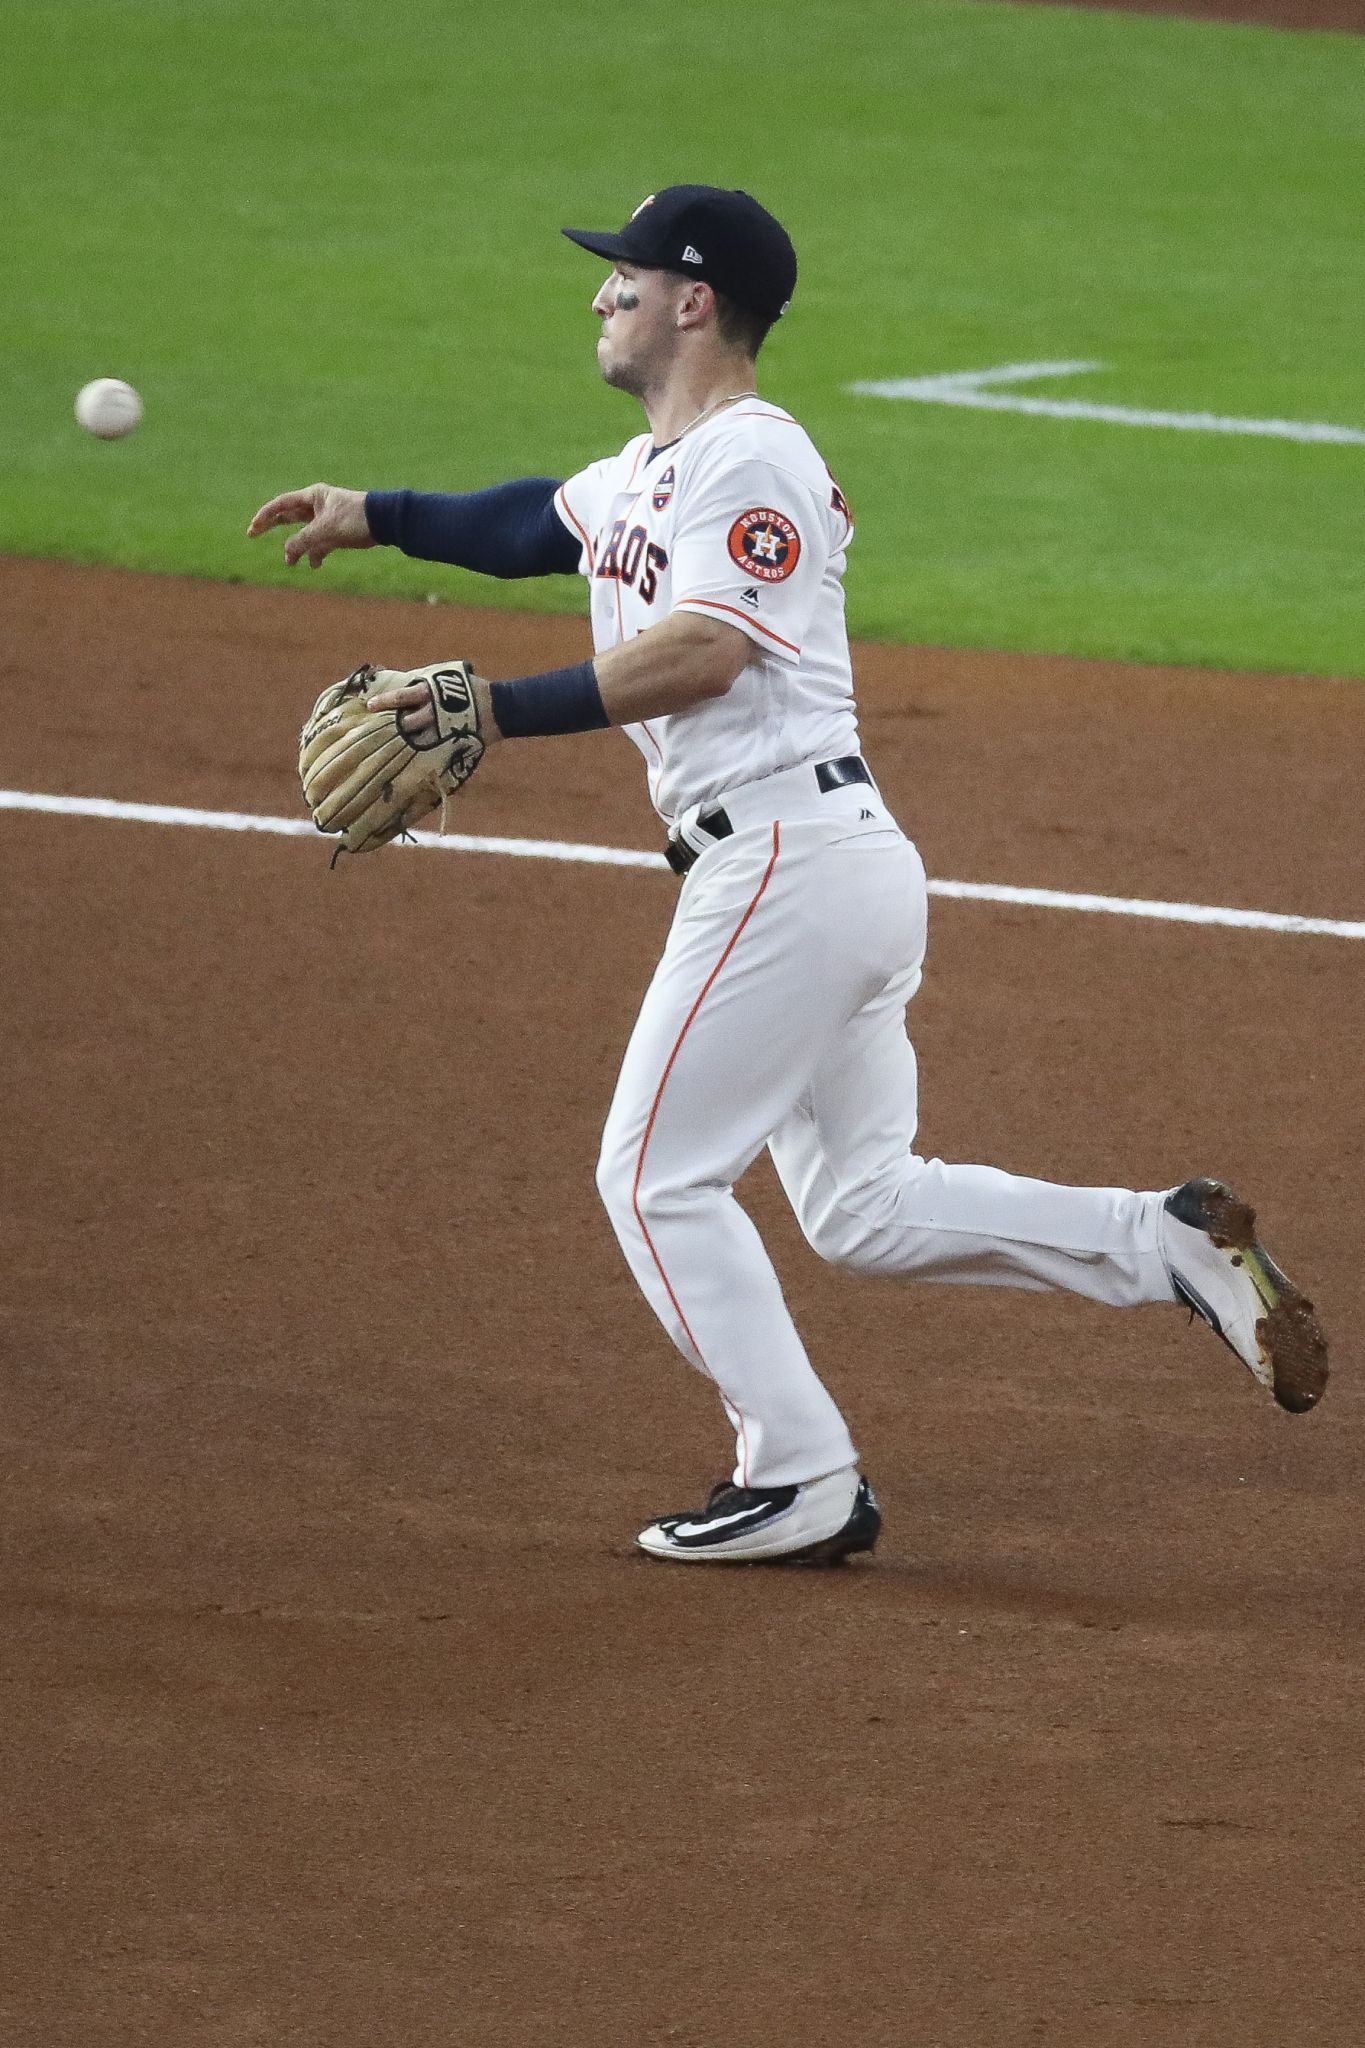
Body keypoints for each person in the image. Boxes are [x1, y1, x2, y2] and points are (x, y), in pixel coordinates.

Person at [249, 185, 1328, 1566]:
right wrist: (378, 511)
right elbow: (539, 521)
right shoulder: (656, 466)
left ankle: (801, 1475)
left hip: (782, 862)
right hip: (819, 868)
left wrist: (495, 708)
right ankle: (1161, 1241)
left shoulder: (753, 459)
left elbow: (707, 650)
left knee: (650, 1180)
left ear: (693, 301)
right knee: (862, 1208)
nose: (600, 296)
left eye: (623, 278)